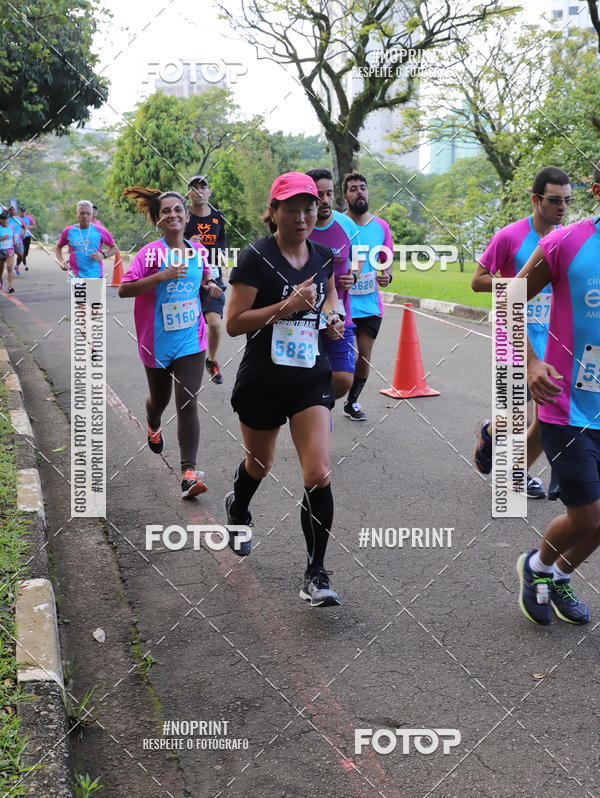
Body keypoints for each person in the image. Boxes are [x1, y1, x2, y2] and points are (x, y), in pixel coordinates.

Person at [225, 172, 345, 607]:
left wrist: (333, 317)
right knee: (259, 463)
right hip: (263, 379)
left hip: (310, 375)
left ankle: (316, 573)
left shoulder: (325, 255)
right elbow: (234, 322)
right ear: (273, 212)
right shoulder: (255, 257)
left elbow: (330, 298)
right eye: (291, 208)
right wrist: (285, 307)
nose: (301, 216)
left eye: (309, 207)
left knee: (318, 472)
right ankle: (238, 509)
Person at [515, 161, 600, 626]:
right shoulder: (566, 242)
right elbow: (509, 298)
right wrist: (531, 362)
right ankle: (536, 566)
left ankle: (558, 574)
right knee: (587, 518)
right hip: (568, 409)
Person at [471, 166, 571, 498]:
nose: (562, 208)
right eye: (555, 200)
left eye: (567, 201)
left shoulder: (567, 239)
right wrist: (517, 286)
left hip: (552, 337)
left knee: (548, 412)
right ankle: (489, 431)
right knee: (516, 417)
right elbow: (477, 280)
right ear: (535, 199)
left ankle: (518, 472)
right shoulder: (510, 236)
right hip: (512, 334)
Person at [119, 186, 223, 499]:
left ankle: (188, 472)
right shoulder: (148, 254)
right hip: (156, 341)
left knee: (188, 402)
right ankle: (152, 422)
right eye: (165, 211)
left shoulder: (199, 251)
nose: (172, 215)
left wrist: (212, 286)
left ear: (187, 216)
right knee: (160, 399)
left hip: (192, 338)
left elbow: (206, 278)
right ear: (158, 220)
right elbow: (125, 290)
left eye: (178, 210)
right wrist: (160, 277)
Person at [306, 168, 361, 401]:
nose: (325, 200)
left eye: (329, 194)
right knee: (307, 373)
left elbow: (358, 258)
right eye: (320, 195)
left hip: (338, 312)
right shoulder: (300, 226)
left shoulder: (346, 225)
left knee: (344, 378)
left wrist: (354, 276)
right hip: (304, 316)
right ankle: (311, 411)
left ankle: (320, 404)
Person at [343, 173, 393, 421]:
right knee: (346, 355)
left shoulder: (381, 226)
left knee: (363, 357)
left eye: (363, 188)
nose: (359, 192)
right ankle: (323, 400)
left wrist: (387, 276)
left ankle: (352, 402)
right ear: (345, 196)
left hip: (371, 304)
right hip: (343, 303)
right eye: (353, 189)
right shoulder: (338, 224)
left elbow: (387, 261)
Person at [184, 175, 228, 385]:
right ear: (189, 193)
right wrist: (187, 243)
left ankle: (211, 360)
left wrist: (225, 268)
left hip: (213, 278)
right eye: (194, 188)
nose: (199, 191)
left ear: (209, 192)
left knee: (215, 324)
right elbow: (170, 245)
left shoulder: (218, 217)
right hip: (188, 277)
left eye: (203, 187)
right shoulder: (183, 217)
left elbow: (223, 245)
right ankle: (187, 364)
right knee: (191, 326)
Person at [55, 200, 118, 277]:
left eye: (88, 213)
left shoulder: (100, 230)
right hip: (75, 275)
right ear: (77, 214)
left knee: (94, 289)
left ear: (92, 215)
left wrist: (103, 255)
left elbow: (115, 248)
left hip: (96, 275)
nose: (85, 216)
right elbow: (58, 247)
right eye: (82, 213)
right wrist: (61, 261)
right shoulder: (68, 231)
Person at [0, 209, 16, 293]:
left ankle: (10, 286)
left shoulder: (11, 227)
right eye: (2, 219)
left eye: (5, 218)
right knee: (0, 269)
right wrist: (2, 238)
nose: (4, 220)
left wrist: (14, 242)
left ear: (7, 219)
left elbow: (12, 236)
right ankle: (1, 281)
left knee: (9, 267)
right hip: (0, 251)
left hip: (9, 250)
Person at [7, 207, 25, 276]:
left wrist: (23, 233)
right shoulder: (6, 218)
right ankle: (10, 271)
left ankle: (17, 266)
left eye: (13, 211)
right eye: (11, 211)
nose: (12, 212)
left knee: (21, 256)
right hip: (9, 242)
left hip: (18, 241)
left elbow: (23, 226)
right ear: (9, 211)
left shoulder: (19, 219)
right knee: (9, 257)